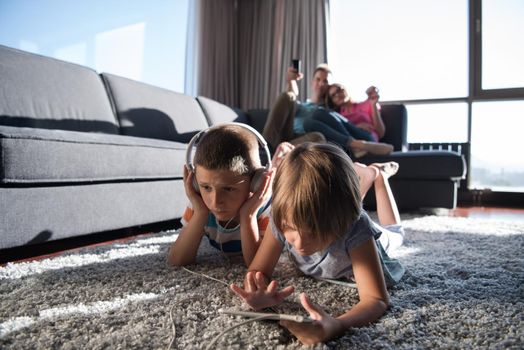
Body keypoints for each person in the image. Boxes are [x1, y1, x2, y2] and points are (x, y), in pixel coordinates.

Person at [230, 142, 405, 345]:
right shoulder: (281, 217)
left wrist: (338, 324)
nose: (299, 243)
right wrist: (256, 292)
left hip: (376, 240)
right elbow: (257, 271)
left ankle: (379, 175)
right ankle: (366, 177)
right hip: (340, 213)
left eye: (313, 232)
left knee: (396, 233)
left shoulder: (356, 226)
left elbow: (376, 299)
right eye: (290, 228)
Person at [167, 124, 292, 267]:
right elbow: (176, 261)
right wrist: (201, 213)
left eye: (228, 189)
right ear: (195, 182)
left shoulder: (266, 209)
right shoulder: (200, 203)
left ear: (254, 183)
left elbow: (257, 266)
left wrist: (249, 215)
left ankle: (282, 161)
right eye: (206, 187)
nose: (215, 201)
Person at [263, 64, 393, 158]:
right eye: (318, 79)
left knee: (318, 137)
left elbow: (346, 120)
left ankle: (276, 152)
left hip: (301, 141)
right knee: (288, 96)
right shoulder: (300, 105)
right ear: (312, 82)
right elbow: (289, 100)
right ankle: (266, 145)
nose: (321, 83)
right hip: (282, 135)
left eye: (325, 81)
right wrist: (291, 81)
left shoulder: (330, 111)